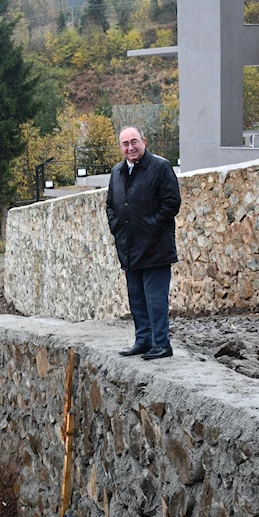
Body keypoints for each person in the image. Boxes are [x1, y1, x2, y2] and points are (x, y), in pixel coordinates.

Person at [106, 126, 181, 359]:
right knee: (136, 298)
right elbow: (110, 205)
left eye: (134, 142)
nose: (130, 147)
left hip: (155, 247)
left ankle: (161, 344)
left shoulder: (160, 167)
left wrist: (151, 226)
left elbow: (171, 203)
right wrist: (117, 227)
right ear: (120, 147)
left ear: (144, 141)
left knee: (155, 300)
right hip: (129, 247)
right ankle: (143, 340)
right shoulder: (117, 172)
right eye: (125, 143)